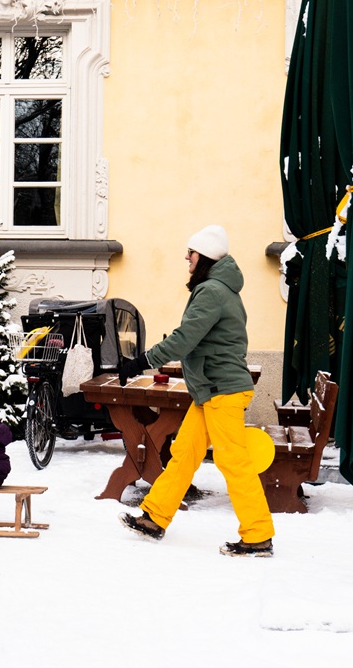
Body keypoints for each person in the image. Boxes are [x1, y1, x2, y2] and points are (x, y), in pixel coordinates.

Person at [117, 225, 275, 557]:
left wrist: (143, 360)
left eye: (191, 252)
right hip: (211, 390)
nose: (186, 258)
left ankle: (258, 534)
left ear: (203, 256)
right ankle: (154, 517)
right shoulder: (218, 288)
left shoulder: (213, 291)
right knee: (184, 455)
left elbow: (185, 338)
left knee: (234, 463)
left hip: (222, 391)